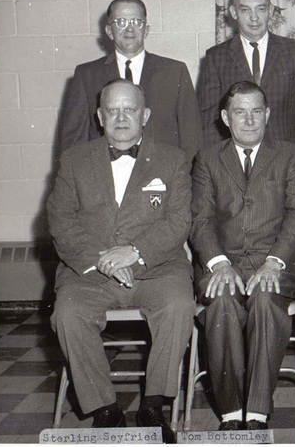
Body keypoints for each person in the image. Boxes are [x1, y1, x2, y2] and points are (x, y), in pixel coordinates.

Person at [48, 79, 195, 442]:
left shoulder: (173, 159)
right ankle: (106, 410)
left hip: (157, 269)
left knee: (178, 306)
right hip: (90, 272)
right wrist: (102, 261)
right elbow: (59, 220)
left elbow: (179, 221)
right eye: (112, 110)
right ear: (99, 116)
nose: (121, 117)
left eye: (129, 109)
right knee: (67, 313)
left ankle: (153, 405)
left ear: (144, 115)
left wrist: (135, 252)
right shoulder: (74, 160)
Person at [190, 81, 295, 430]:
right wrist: (219, 263)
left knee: (264, 298)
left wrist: (275, 261)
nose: (249, 120)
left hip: (277, 263)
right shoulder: (208, 159)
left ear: (268, 114)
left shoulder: (289, 154)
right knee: (223, 302)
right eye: (240, 113)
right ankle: (230, 413)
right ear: (225, 118)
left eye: (256, 111)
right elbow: (199, 218)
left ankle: (257, 412)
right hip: (223, 263)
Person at [59, 0, 202, 164]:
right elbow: (73, 141)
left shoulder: (174, 71)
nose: (129, 29)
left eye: (136, 22)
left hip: (163, 174)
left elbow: (192, 138)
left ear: (146, 30)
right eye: (121, 22)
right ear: (109, 31)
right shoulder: (86, 75)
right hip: (104, 177)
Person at [199, 0, 295, 169]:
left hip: (286, 166)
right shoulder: (216, 57)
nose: (254, 18)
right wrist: (218, 171)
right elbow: (209, 122)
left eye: (261, 9)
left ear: (271, 10)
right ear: (233, 12)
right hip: (235, 167)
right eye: (245, 10)